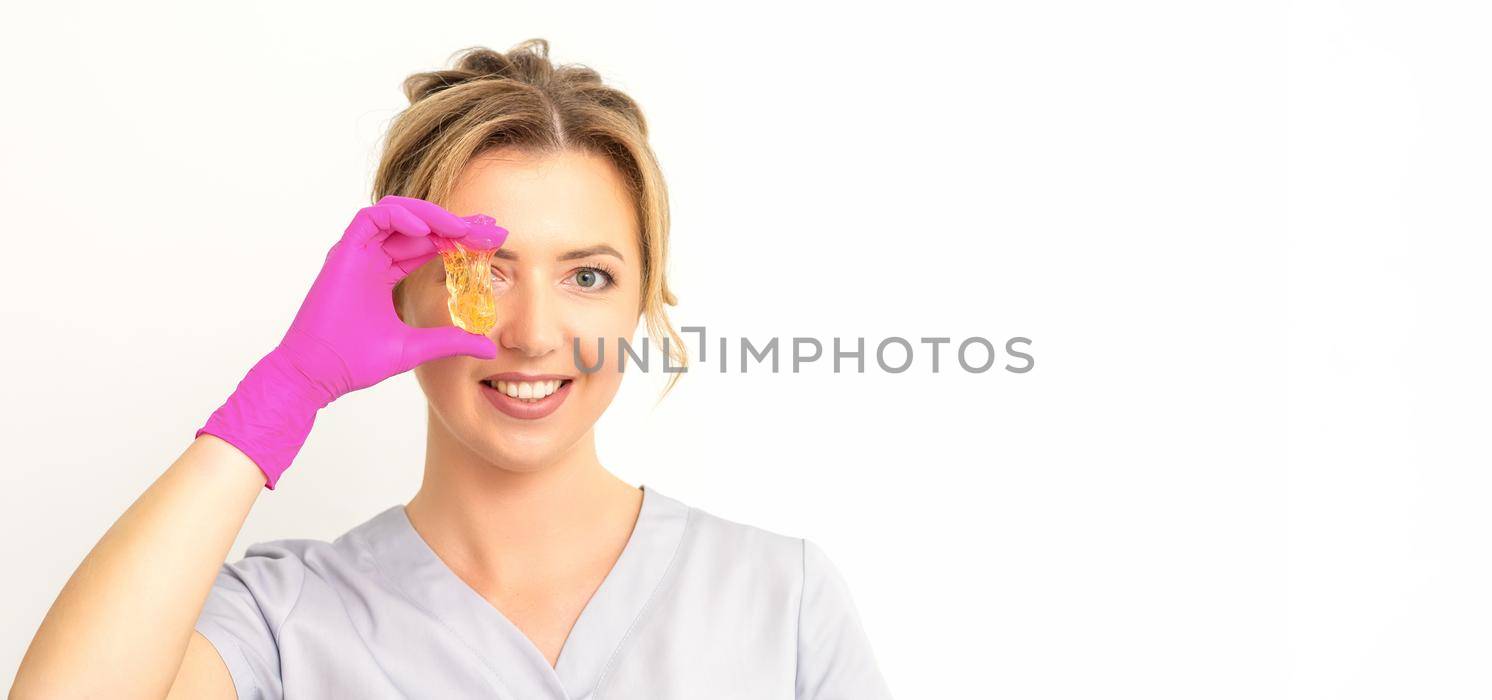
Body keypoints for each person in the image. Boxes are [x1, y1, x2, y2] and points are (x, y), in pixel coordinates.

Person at [11, 39, 892, 700]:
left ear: (641, 302)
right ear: (398, 292)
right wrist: (285, 390)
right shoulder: (283, 621)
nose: (535, 333)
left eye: (588, 276)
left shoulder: (782, 601)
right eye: (484, 272)